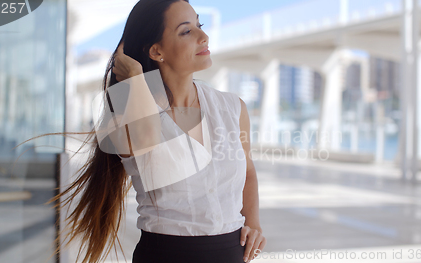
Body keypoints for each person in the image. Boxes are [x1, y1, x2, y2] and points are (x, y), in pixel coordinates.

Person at [40, 0, 266, 262]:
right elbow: (149, 143)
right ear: (156, 51)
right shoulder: (126, 114)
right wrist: (135, 77)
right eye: (186, 31)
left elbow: (247, 170)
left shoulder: (232, 108)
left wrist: (255, 223)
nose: (204, 37)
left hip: (231, 253)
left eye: (199, 25)